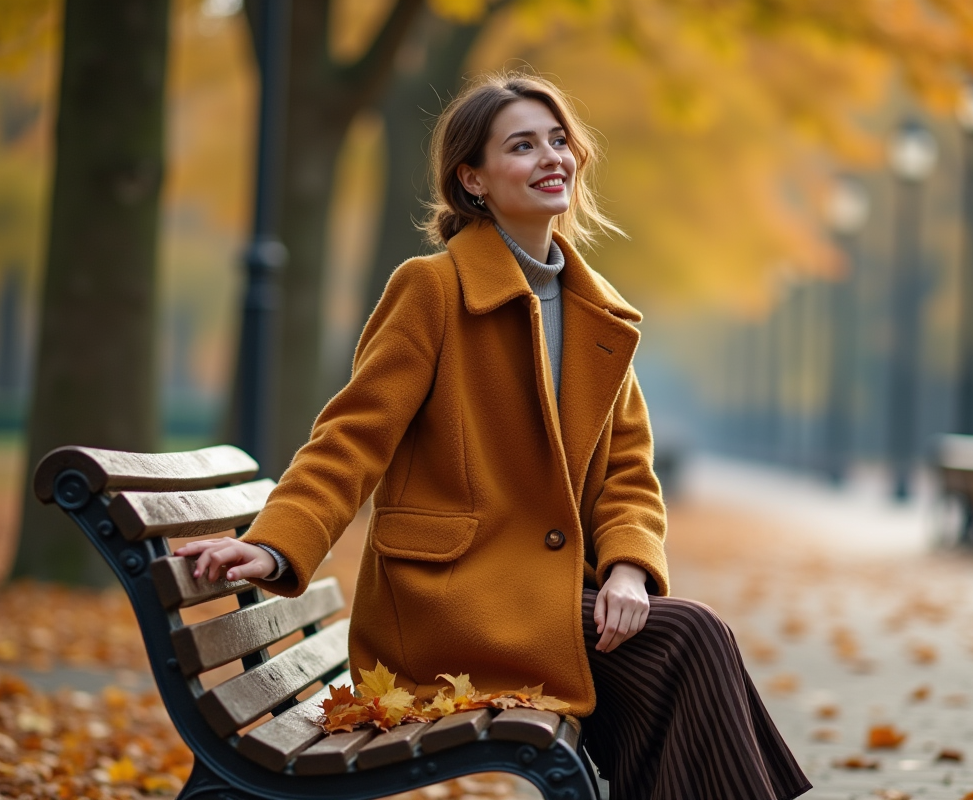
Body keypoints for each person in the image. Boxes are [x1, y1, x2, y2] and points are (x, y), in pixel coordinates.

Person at [176, 72, 811, 800]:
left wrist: (631, 567)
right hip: (451, 606)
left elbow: (628, 476)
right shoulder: (432, 290)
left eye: (559, 140)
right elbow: (349, 441)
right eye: (522, 146)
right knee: (691, 639)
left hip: (549, 602)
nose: (552, 157)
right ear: (472, 179)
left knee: (672, 661)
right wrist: (271, 544)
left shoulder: (600, 316)